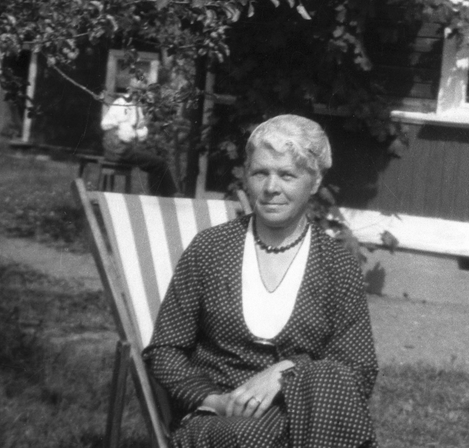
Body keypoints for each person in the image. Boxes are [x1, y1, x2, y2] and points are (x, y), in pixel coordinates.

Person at [143, 115, 377, 448]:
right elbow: (165, 349)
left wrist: (287, 372)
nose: (270, 188)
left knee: (319, 392)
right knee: (248, 436)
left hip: (303, 417)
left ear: (314, 182)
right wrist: (214, 400)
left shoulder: (336, 265)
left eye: (287, 175)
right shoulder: (211, 249)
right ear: (246, 176)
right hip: (220, 418)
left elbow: (358, 369)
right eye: (260, 173)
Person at [100, 73, 174, 196]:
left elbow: (142, 130)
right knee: (158, 163)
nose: (138, 94)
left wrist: (138, 131)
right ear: (129, 89)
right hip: (117, 149)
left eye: (141, 92)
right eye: (135, 90)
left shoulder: (136, 106)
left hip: (125, 148)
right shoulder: (121, 103)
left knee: (156, 163)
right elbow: (113, 128)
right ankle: (167, 197)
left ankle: (160, 197)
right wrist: (132, 132)